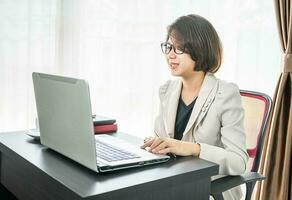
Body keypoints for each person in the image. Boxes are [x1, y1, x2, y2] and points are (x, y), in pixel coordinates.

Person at [140, 14, 248, 200]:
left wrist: (193, 148)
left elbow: (239, 162)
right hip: (173, 181)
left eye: (179, 48)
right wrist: (156, 145)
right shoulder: (167, 90)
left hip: (209, 189)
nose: (170, 55)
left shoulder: (226, 93)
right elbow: (163, 139)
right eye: (168, 47)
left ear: (200, 49)